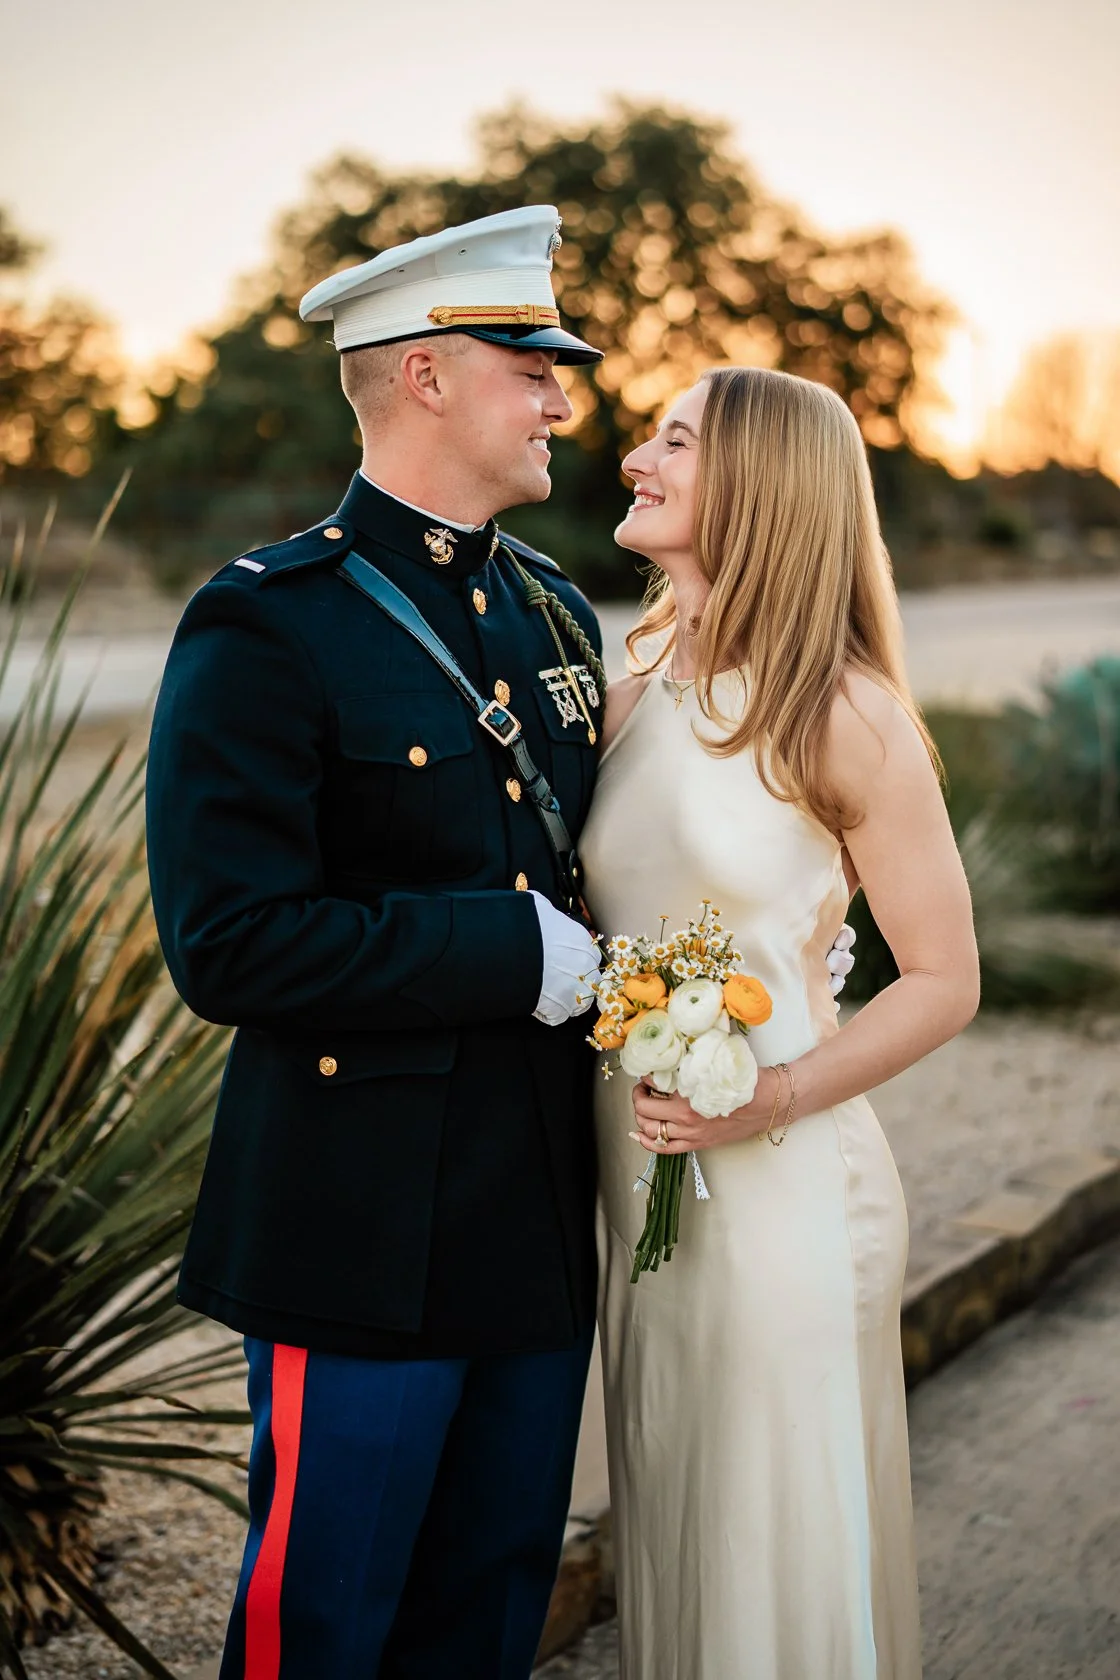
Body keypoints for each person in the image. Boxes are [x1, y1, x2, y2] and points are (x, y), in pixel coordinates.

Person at [145, 206, 609, 1680]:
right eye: (528, 365)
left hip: (535, 1224)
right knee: (328, 1629)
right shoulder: (265, 625)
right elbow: (229, 946)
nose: (560, 396)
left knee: (487, 1620)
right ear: (423, 376)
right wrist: (500, 952)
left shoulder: (553, 610)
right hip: (356, 1234)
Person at [581, 366, 981, 1679]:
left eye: (675, 440)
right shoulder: (629, 677)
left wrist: (769, 1098)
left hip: (786, 1194)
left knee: (773, 1556)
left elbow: (943, 978)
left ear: (757, 484)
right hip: (639, 1195)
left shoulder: (844, 712)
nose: (638, 455)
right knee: (679, 1540)